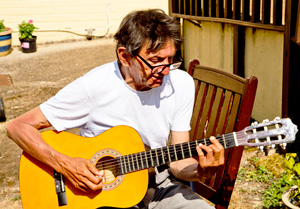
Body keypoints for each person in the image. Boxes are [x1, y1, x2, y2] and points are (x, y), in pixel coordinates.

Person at [7, 9, 224, 209]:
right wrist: (66, 165)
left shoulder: (181, 83)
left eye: (171, 60)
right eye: (156, 61)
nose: (165, 71)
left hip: (157, 186)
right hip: (100, 194)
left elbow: (178, 161)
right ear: (125, 56)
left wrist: (200, 171)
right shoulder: (93, 86)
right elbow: (18, 126)